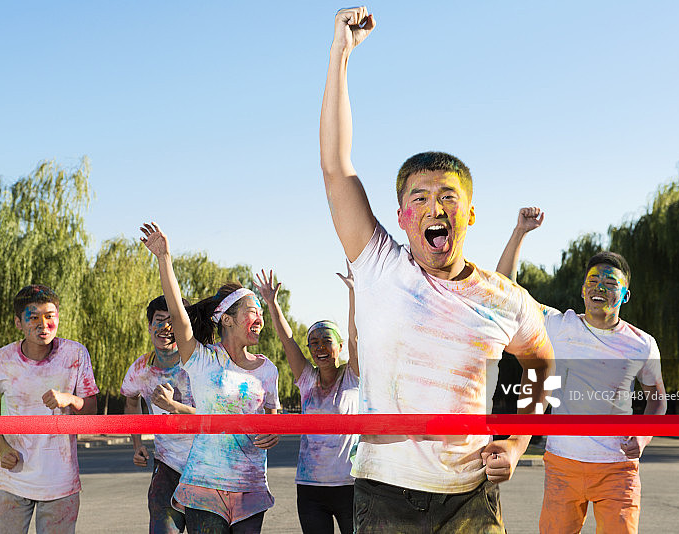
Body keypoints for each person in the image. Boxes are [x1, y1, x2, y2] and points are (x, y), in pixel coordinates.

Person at [319, 7, 556, 532]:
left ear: (469, 214)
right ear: (401, 216)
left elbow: (544, 365)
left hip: (471, 498)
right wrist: (340, 55)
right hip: (383, 494)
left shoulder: (506, 299)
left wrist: (517, 443)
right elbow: (337, 167)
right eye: (419, 198)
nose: (434, 208)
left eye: (448, 197)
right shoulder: (379, 263)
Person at [496, 207, 668, 534]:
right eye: (593, 280)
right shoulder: (558, 326)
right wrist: (520, 232)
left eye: (609, 282)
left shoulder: (642, 344)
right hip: (562, 466)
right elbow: (504, 292)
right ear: (582, 290)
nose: (599, 287)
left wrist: (643, 436)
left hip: (618, 471)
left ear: (625, 295)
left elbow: (658, 398)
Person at [140, 222, 280, 534]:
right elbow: (178, 315)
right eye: (252, 311)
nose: (260, 319)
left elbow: (271, 417)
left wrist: (274, 432)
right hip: (205, 485)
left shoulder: (268, 369)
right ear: (227, 319)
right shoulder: (203, 360)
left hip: (250, 484)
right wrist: (164, 258)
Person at [0, 284, 98, 534]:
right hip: (12, 478)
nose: (43, 325)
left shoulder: (76, 354)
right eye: (33, 317)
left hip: (61, 481)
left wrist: (70, 399)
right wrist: (1, 447)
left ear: (58, 318)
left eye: (50, 316)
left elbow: (91, 413)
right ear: (18, 322)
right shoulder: (0, 361)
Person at [254, 268, 359, 534]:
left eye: (327, 341)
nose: (320, 348)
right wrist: (272, 303)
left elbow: (356, 337)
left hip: (350, 485)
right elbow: (287, 340)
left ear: (340, 347)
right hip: (311, 488)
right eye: (314, 343)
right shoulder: (307, 380)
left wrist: (353, 291)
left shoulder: (353, 376)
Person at [122, 295, 197, 534]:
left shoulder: (201, 363)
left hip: (207, 467)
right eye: (159, 320)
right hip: (166, 466)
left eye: (172, 321)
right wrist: (137, 444)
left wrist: (174, 406)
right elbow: (131, 403)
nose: (165, 328)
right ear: (149, 325)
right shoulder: (140, 369)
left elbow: (216, 415)